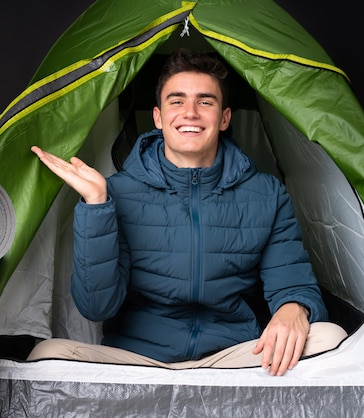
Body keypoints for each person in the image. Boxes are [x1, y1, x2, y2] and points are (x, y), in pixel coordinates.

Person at [28, 49, 346, 376]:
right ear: (158, 116)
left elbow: (292, 279)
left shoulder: (265, 194)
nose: (190, 113)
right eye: (176, 101)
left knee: (330, 338)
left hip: (233, 358)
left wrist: (294, 308)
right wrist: (96, 204)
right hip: (137, 363)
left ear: (224, 118)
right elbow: (97, 307)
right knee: (47, 355)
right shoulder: (119, 192)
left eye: (205, 102)